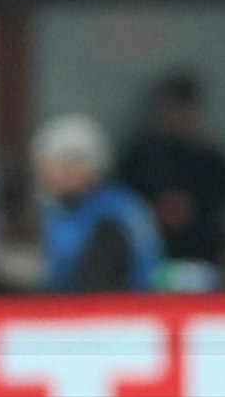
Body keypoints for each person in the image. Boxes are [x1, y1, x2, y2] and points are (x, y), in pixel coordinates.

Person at [116, 71, 225, 290]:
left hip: (202, 253)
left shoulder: (208, 155)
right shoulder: (141, 152)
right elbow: (121, 197)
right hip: (150, 255)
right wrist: (154, 210)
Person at [32, 113, 162, 294]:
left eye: (54, 164)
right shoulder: (62, 209)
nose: (46, 175)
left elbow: (98, 286)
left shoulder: (111, 217)